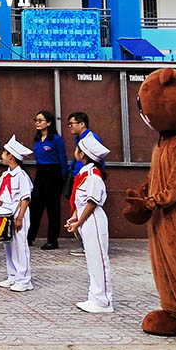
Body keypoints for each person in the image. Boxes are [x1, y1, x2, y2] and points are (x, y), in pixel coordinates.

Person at [66, 132, 114, 313]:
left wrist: (79, 222)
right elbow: (82, 201)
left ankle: (103, 301)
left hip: (93, 219)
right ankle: (95, 297)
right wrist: (75, 217)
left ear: (83, 154)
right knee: (92, 260)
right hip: (87, 219)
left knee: (99, 260)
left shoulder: (93, 175)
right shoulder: (85, 173)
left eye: (77, 149)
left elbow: (92, 202)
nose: (75, 152)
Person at [0, 135, 34, 292]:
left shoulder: (21, 176)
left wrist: (19, 218)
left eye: (4, 153)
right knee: (9, 246)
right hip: (7, 213)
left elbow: (25, 198)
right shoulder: (7, 174)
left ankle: (24, 279)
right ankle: (12, 275)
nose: (2, 155)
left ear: (11, 156)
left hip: (19, 213)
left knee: (20, 246)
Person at [27, 110, 67, 250]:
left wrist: (62, 178)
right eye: (36, 120)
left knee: (52, 208)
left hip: (54, 173)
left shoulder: (56, 139)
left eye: (40, 120)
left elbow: (62, 160)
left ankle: (52, 240)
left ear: (49, 123)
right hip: (40, 173)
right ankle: (29, 237)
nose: (37, 123)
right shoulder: (37, 139)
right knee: (35, 206)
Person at [66, 112, 104, 258]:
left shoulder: (91, 139)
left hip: (86, 181)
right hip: (78, 178)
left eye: (72, 123)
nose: (70, 127)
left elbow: (99, 160)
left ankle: (89, 245)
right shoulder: (80, 139)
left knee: (87, 213)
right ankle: (85, 244)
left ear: (82, 124)